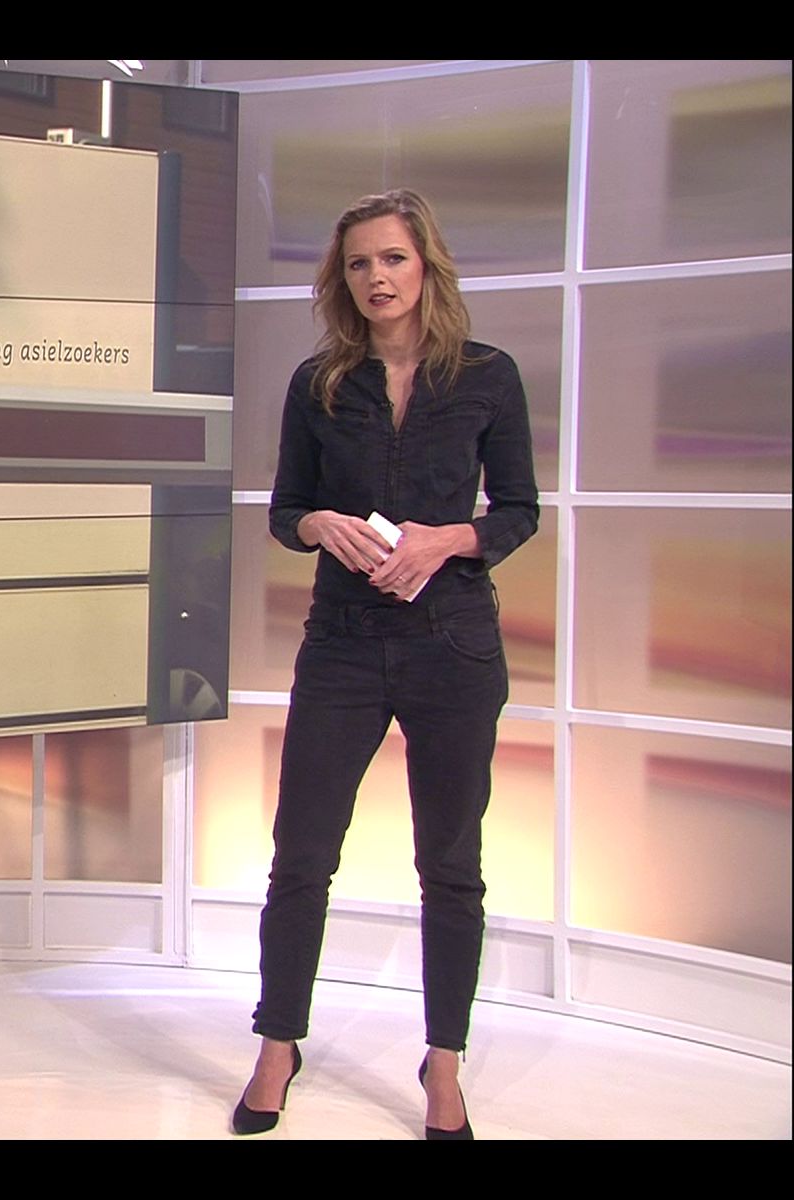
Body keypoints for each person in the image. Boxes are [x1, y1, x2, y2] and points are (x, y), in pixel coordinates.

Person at [230, 188, 539, 1139]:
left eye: (393, 258)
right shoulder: (319, 384)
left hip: (454, 642)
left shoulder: (488, 376)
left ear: (425, 265)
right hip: (344, 644)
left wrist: (451, 538)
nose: (377, 278)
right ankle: (277, 1045)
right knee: (301, 856)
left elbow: (519, 511)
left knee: (450, 864)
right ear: (343, 278)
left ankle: (443, 1063)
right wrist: (317, 523)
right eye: (360, 263)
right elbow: (286, 511)